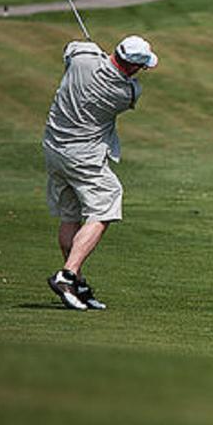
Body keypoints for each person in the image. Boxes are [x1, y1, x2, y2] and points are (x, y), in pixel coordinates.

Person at [43, 35, 158, 311]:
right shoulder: (127, 93)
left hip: (54, 148)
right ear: (132, 67)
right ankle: (67, 275)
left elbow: (70, 49)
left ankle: (77, 285)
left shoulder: (83, 58)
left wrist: (96, 53)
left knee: (70, 214)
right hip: (84, 156)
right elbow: (122, 77)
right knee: (106, 205)